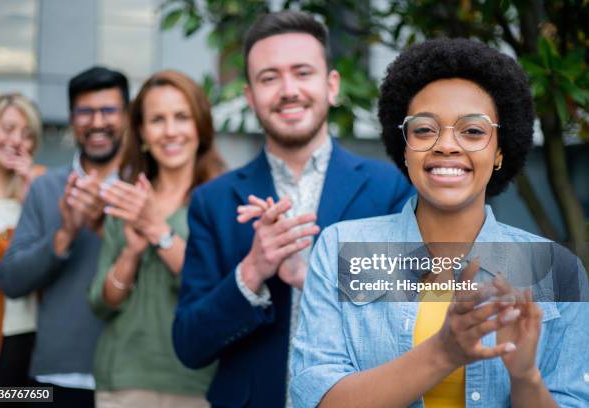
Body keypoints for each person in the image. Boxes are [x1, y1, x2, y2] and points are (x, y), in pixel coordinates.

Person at [290, 38, 589, 407]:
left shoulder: (557, 271)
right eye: (425, 129)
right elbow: (314, 400)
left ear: (499, 151)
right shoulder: (342, 249)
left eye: (473, 131)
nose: (446, 145)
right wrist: (444, 351)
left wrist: (525, 376)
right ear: (405, 147)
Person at [172, 10, 414, 408]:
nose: (288, 90)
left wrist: (313, 276)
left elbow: (413, 310)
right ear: (250, 96)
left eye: (302, 72)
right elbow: (189, 345)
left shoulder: (390, 187)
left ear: (331, 85)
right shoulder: (212, 201)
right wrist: (252, 272)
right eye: (269, 78)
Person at [88, 70, 224, 408]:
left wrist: (158, 231)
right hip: (123, 381)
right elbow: (101, 303)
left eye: (181, 117)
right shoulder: (126, 199)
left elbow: (219, 293)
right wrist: (131, 255)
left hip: (198, 384)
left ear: (200, 127)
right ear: (143, 134)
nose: (171, 131)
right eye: (157, 120)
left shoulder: (225, 200)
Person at [0, 66, 129, 408]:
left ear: (127, 117)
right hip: (55, 378)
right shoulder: (46, 188)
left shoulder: (147, 188)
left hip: (133, 378)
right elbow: (11, 281)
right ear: (72, 120)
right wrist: (65, 233)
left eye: (109, 110)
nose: (97, 122)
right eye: (86, 112)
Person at [0, 93, 44, 407]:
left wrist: (37, 203)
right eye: (8, 128)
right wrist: (10, 238)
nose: (17, 140)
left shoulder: (41, 193)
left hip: (35, 345)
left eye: (27, 133)